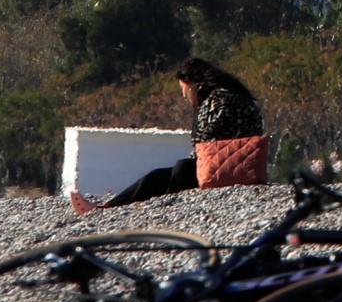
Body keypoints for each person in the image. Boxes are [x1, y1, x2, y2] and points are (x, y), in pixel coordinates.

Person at [74, 58, 269, 212]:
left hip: (223, 169)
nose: (184, 95)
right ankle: (109, 205)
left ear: (191, 83)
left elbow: (205, 143)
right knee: (160, 175)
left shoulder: (215, 100)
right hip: (246, 166)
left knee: (177, 171)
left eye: (183, 88)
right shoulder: (238, 97)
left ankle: (107, 207)